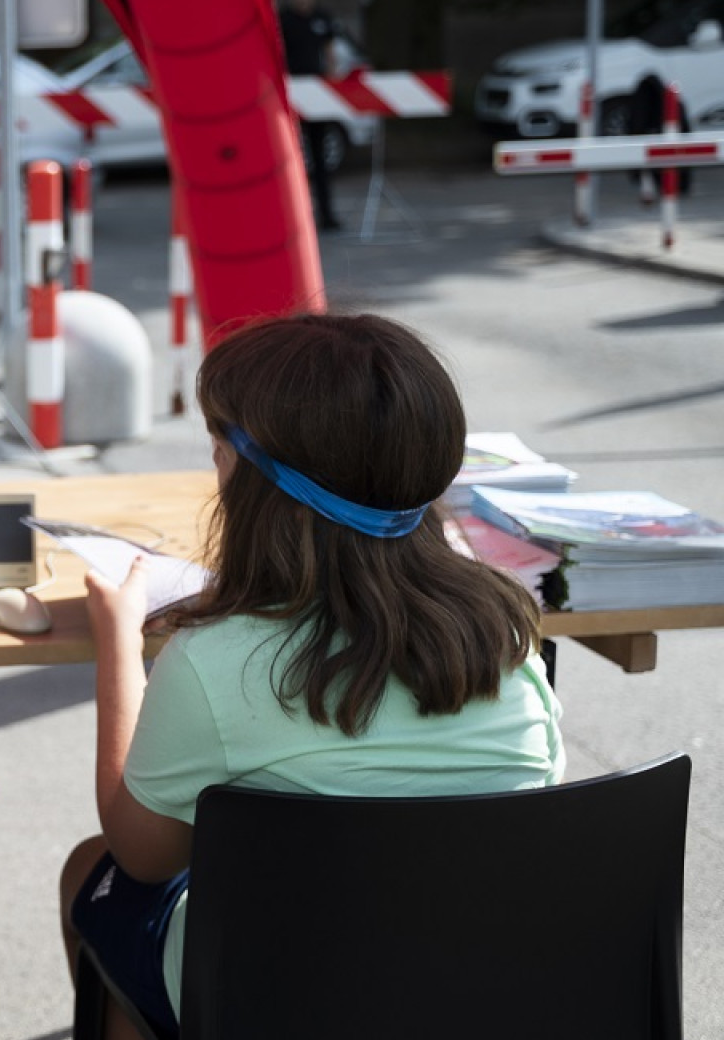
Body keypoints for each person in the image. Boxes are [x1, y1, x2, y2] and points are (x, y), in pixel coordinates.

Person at [57, 314, 565, 1040]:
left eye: (221, 442)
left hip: (276, 998)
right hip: (472, 990)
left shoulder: (214, 662)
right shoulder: (509, 646)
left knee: (92, 872)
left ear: (258, 487)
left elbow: (142, 855)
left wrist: (118, 645)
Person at [278, 0, 342, 231]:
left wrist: (331, 88)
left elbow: (330, 53)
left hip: (317, 95)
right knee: (290, 159)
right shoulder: (283, 20)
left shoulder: (322, 18)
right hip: (291, 94)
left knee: (319, 159)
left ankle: (326, 215)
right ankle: (294, 217)